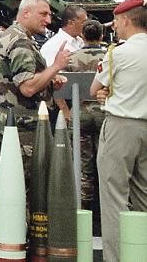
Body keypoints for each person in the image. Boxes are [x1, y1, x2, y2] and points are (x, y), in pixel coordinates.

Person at [91, 0, 147, 262]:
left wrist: (107, 94)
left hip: (120, 127)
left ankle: (117, 258)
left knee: (114, 199)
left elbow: (94, 89)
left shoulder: (118, 53)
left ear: (125, 20)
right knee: (144, 196)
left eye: (116, 20)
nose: (114, 26)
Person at [0, 0, 72, 178]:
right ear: (25, 13)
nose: (48, 20)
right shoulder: (21, 42)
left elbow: (12, 78)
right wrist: (56, 66)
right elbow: (27, 88)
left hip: (10, 121)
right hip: (24, 128)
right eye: (43, 14)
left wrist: (49, 79)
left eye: (49, 15)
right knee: (28, 186)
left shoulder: (10, 36)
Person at [67, 19, 107, 215]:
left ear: (82, 35)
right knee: (106, 162)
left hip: (80, 114)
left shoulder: (72, 58)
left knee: (83, 165)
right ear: (101, 36)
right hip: (104, 114)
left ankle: (84, 208)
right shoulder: (109, 56)